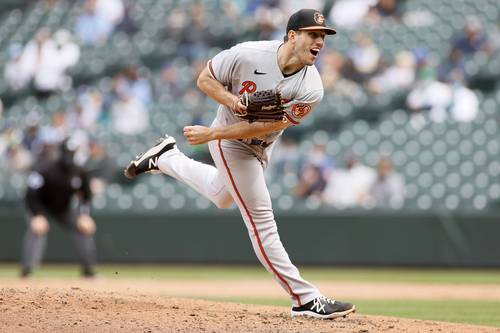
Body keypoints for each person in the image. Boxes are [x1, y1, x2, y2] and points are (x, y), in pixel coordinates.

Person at [124, 9, 355, 319]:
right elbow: (205, 79)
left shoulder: (312, 88)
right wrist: (232, 103)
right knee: (261, 220)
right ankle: (304, 298)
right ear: (292, 35)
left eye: (323, 36)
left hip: (256, 143)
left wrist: (213, 132)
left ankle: (166, 157)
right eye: (313, 34)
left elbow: (265, 127)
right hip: (231, 144)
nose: (320, 42)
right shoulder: (248, 54)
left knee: (222, 196)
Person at [21, 138, 97, 278]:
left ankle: (89, 271)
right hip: (41, 207)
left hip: (63, 209)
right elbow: (30, 195)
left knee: (82, 229)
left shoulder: (79, 171)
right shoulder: (44, 169)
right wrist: (37, 215)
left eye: (72, 152)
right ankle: (27, 271)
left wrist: (85, 215)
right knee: (36, 230)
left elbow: (86, 196)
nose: (70, 155)